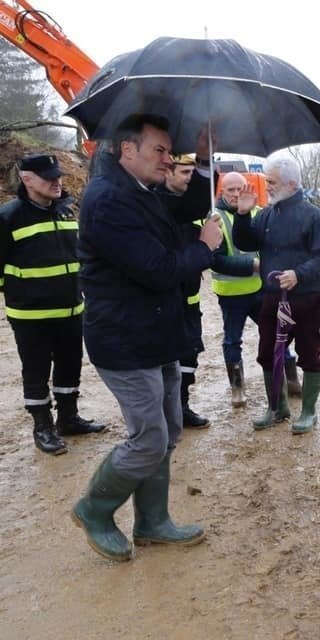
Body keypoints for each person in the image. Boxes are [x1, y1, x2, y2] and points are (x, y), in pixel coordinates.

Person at [71, 114, 224, 562]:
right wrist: (203, 248)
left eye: (170, 151)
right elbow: (157, 270)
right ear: (127, 150)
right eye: (159, 151)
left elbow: (182, 208)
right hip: (125, 341)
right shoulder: (108, 201)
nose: (168, 160)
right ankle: (94, 509)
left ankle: (152, 522)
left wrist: (203, 160)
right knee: (149, 439)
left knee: (169, 430)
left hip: (156, 334)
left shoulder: (139, 189)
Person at [0, 153, 107, 455]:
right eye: (49, 178)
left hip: (71, 309)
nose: (57, 181)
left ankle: (68, 418)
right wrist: (19, 293)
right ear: (27, 179)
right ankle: (42, 427)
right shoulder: (9, 216)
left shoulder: (65, 211)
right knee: (35, 370)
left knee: (70, 365)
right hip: (30, 314)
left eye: (58, 176)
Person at [233, 154, 320, 434]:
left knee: (309, 353)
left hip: (306, 298)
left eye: (272, 182)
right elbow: (245, 243)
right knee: (268, 353)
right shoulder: (266, 214)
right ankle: (277, 408)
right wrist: (242, 215)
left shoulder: (314, 216)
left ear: (291, 184)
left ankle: (309, 411)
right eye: (267, 181)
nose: (267, 187)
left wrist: (299, 274)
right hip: (271, 297)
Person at [211, 172, 299, 409]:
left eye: (240, 189)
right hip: (231, 294)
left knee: (278, 334)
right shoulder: (215, 217)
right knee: (232, 340)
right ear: (222, 191)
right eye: (230, 190)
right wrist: (253, 265)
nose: (236, 194)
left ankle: (291, 380)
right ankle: (237, 388)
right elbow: (216, 261)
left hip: (262, 290)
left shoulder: (260, 213)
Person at [160, 153, 209, 428]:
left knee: (189, 355)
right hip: (167, 300)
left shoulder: (195, 212)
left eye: (193, 172)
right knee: (167, 359)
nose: (191, 178)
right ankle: (167, 412)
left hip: (191, 300)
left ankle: (182, 405)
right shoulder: (159, 206)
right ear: (168, 172)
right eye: (185, 173)